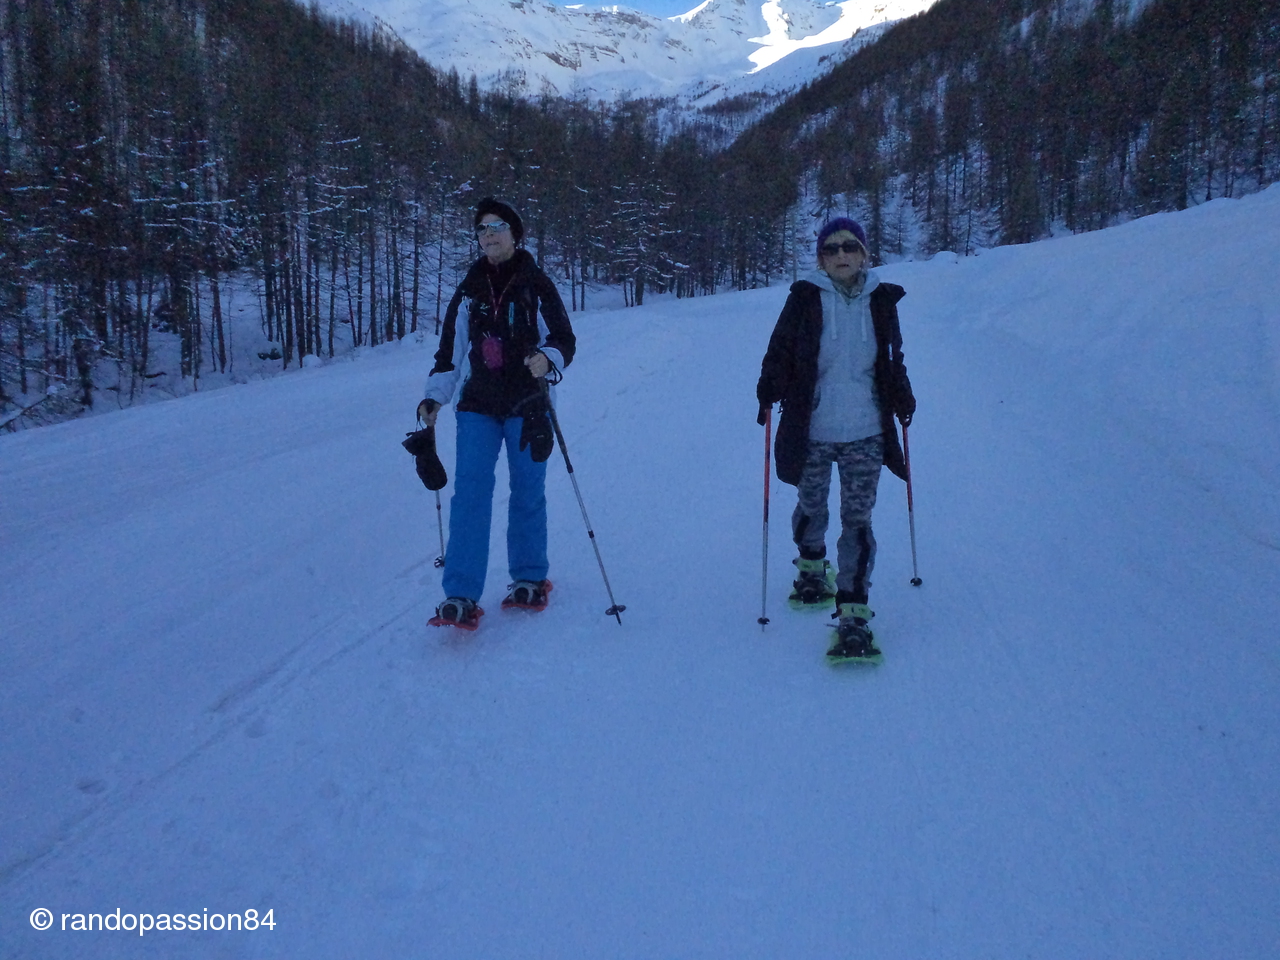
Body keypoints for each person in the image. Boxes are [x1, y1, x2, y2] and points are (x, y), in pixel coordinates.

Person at [756, 217, 916, 662]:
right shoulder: (804, 298)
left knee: (857, 518)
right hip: (813, 427)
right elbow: (780, 350)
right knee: (811, 503)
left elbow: (892, 357)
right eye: (831, 248)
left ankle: (853, 610)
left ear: (864, 254)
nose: (841, 254)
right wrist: (769, 385)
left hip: (866, 429)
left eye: (849, 247)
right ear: (821, 259)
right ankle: (811, 567)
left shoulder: (882, 300)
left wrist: (902, 392)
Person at [417, 198, 576, 629]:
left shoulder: (536, 283)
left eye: (497, 226)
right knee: (470, 494)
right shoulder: (469, 288)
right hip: (478, 405)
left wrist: (548, 358)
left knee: (527, 489)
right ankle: (460, 595)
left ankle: (529, 578)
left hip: (528, 404)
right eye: (482, 228)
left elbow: (563, 338)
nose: (488, 234)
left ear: (515, 233)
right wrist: (434, 398)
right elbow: (449, 353)